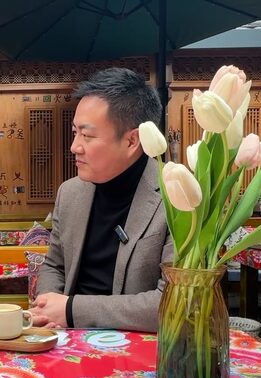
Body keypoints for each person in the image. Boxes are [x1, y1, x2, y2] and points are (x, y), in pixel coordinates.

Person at [30, 67, 173, 332]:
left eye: (87, 135)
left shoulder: (177, 197)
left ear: (132, 141)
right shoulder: (70, 193)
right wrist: (47, 308)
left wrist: (71, 310)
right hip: (66, 338)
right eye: (75, 132)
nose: (74, 146)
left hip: (138, 345)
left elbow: (172, 302)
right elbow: (54, 265)